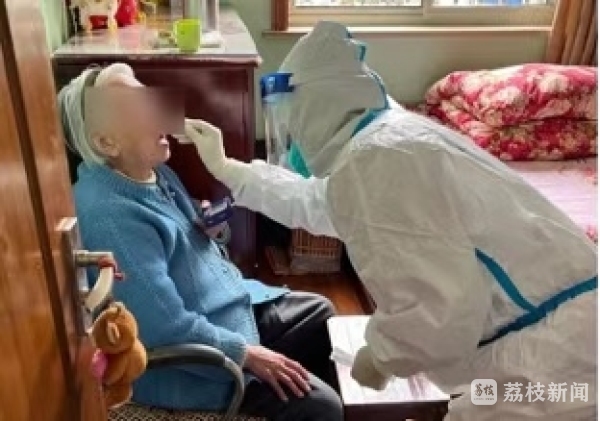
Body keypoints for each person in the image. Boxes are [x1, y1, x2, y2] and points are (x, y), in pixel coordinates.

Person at [182, 21, 597, 421]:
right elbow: (324, 204)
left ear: (316, 108)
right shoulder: (384, 142)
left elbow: (440, 305)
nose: (293, 138)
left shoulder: (380, 161)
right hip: (553, 330)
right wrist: (231, 170)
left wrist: (383, 355)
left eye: (293, 119)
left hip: (556, 351)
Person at [56, 62, 343, 421]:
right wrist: (247, 355)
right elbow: (164, 328)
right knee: (323, 409)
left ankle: (298, 386)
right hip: (195, 366)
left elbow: (201, 235)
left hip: (229, 309)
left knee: (322, 316)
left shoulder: (153, 172)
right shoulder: (109, 215)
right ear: (106, 142)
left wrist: (214, 228)